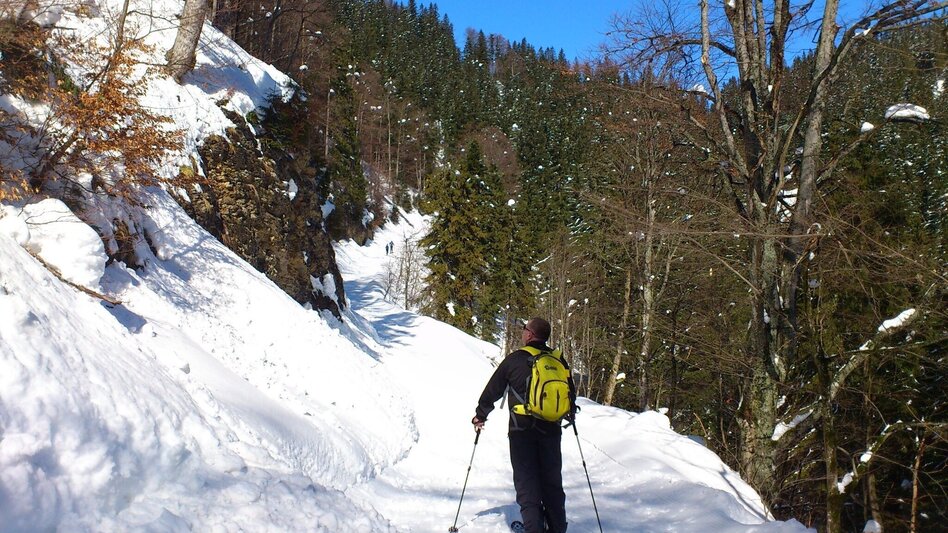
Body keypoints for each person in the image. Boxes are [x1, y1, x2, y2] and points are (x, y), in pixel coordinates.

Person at [472, 317, 576, 533]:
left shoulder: (516, 360)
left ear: (529, 334)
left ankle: (533, 529)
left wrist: (480, 415)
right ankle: (557, 528)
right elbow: (570, 394)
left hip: (522, 430)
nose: (522, 332)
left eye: (524, 329)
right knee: (552, 483)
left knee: (527, 484)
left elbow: (493, 390)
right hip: (552, 429)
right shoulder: (558, 361)